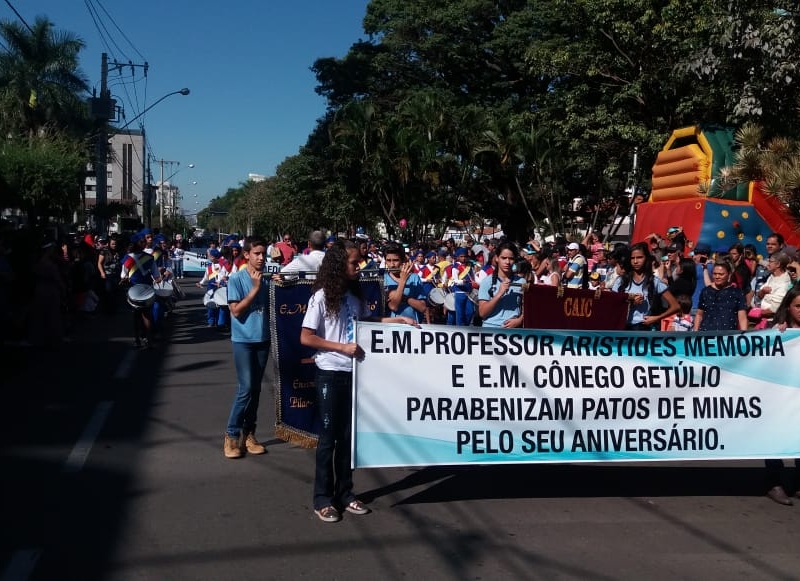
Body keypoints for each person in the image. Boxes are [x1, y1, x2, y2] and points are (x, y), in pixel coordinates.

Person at [300, 240, 418, 523]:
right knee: (328, 438)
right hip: (330, 371)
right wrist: (342, 348)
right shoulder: (320, 297)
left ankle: (345, 493)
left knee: (348, 438)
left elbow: (367, 321)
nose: (358, 266)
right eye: (354, 262)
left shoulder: (354, 296)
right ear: (339, 265)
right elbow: (306, 337)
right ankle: (322, 499)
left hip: (355, 373)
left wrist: (397, 320)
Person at [223, 237, 271, 459]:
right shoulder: (237, 279)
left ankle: (249, 434)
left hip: (263, 339)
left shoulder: (267, 280)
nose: (261, 258)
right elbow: (236, 311)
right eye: (257, 254)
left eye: (264, 254)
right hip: (243, 340)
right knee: (246, 388)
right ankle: (231, 435)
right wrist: (254, 290)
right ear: (246, 255)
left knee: (257, 389)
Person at [764, 285, 800, 505]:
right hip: (779, 395)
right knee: (776, 436)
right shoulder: (777, 331)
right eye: (798, 306)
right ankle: (774, 482)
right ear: (788, 307)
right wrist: (775, 334)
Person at [612, 242, 680, 331]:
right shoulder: (621, 281)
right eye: (632, 258)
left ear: (646, 258)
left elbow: (676, 306)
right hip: (621, 326)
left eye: (639, 257)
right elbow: (612, 303)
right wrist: (629, 301)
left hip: (642, 327)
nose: (635, 261)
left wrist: (657, 318)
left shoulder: (654, 281)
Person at [120, 232, 162, 348]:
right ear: (138, 243)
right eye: (142, 241)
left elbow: (123, 275)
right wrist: (158, 280)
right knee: (146, 314)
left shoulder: (127, 259)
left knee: (136, 315)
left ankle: (138, 339)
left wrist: (124, 280)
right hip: (146, 290)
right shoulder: (149, 258)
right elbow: (156, 275)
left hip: (133, 290)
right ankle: (147, 339)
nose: (144, 243)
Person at [477, 242, 525, 328]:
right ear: (497, 258)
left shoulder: (522, 282)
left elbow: (528, 307)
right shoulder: (487, 281)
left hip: (514, 332)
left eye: (511, 258)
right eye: (503, 258)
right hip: (491, 330)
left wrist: (520, 320)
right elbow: (482, 313)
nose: (507, 262)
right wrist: (499, 294)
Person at [692, 261, 748, 331]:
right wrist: (695, 333)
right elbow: (699, 314)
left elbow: (742, 317)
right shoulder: (706, 291)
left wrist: (744, 335)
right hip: (706, 334)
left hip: (728, 335)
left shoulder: (737, 292)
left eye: (721, 274)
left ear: (729, 274)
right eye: (715, 274)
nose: (717, 277)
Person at [382, 244, 427, 323]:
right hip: (391, 327)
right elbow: (393, 306)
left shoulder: (414, 278)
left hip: (413, 325)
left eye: (395, 260)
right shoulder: (383, 279)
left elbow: (422, 307)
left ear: (402, 260)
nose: (392, 265)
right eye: (388, 260)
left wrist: (403, 297)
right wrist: (403, 281)